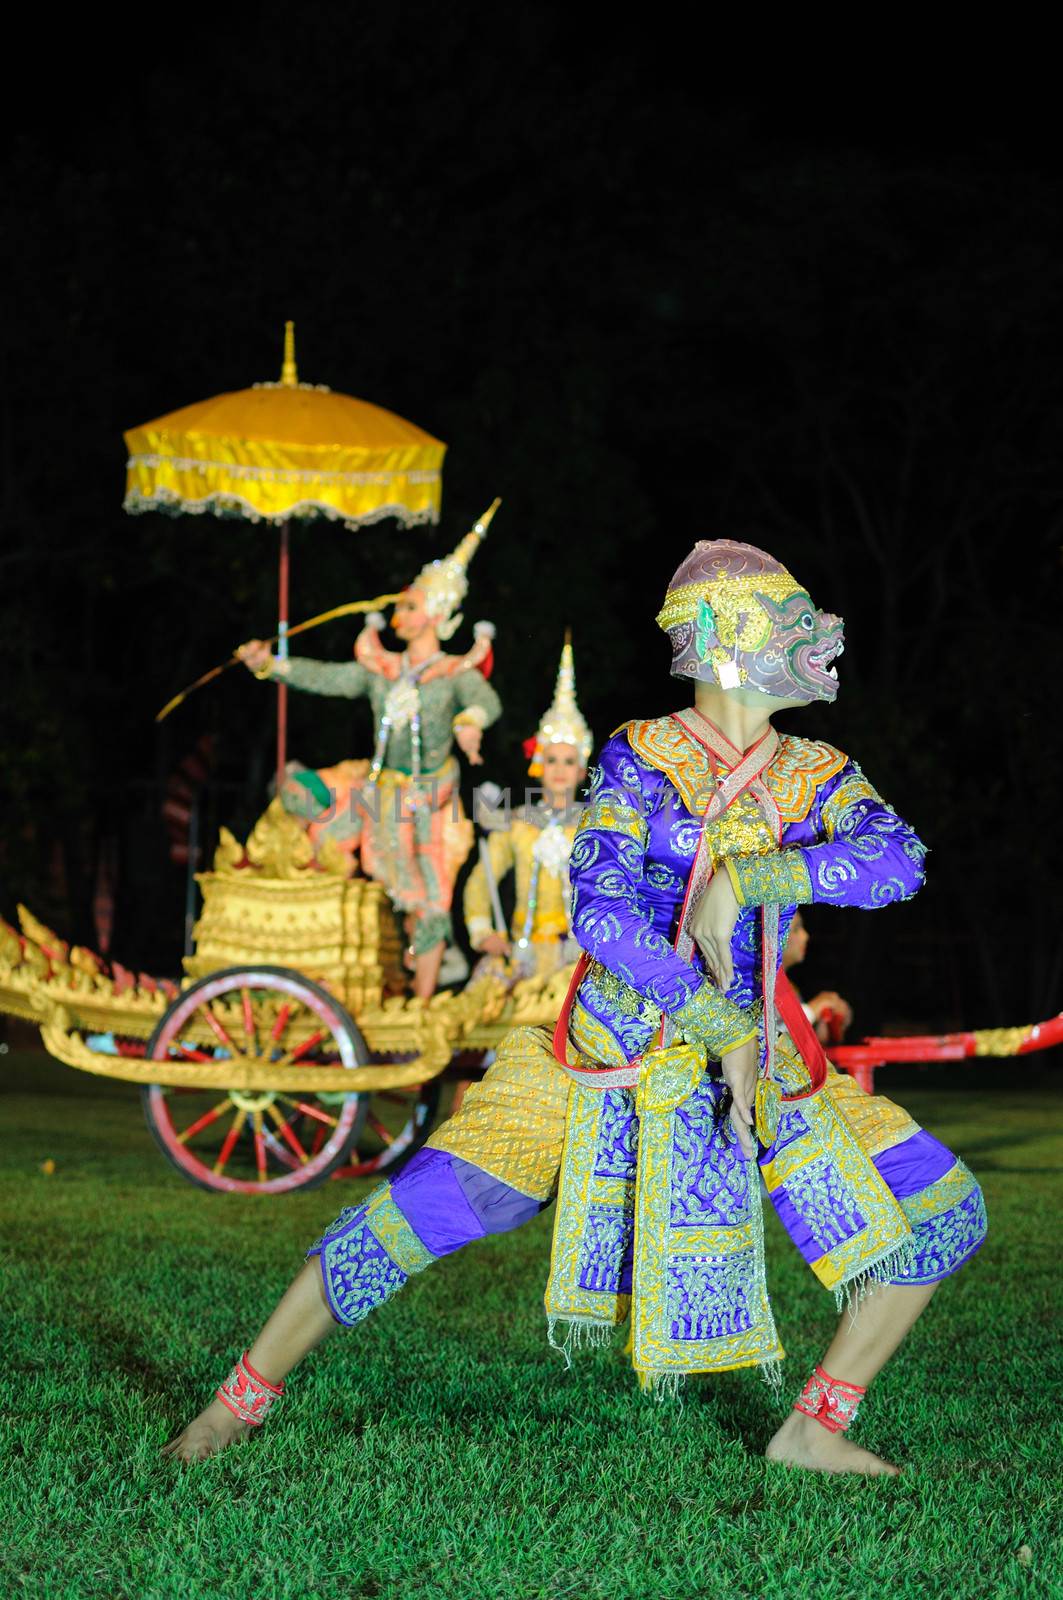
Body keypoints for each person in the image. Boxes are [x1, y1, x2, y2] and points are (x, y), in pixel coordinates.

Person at [167, 538, 987, 1476]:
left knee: (942, 1209)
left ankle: (812, 1428)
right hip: (602, 1060)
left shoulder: (815, 770)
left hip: (768, 1061)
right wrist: (708, 1016)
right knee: (417, 1212)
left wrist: (759, 875)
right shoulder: (642, 753)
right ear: (726, 635)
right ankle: (238, 1403)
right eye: (795, 620)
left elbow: (899, 859)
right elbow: (597, 908)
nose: (821, 637)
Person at [237, 510, 502, 998]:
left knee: (425, 896)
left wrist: (469, 724)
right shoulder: (380, 668)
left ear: (437, 615)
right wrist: (270, 664)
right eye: (400, 606)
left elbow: (487, 702)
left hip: (427, 800)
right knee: (313, 809)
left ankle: (420, 1006)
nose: (398, 613)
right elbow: (328, 678)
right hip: (379, 788)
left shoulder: (453, 672)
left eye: (410, 606)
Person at [464, 632, 591, 981]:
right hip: (523, 954)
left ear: (581, 770)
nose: (560, 770)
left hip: (578, 954)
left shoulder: (593, 825)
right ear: (538, 765)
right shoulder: (518, 822)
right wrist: (483, 932)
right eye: (552, 760)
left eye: (569, 761)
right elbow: (480, 880)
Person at [782, 909, 853, 1043]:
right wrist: (812, 1010)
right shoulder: (753, 989)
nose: (805, 936)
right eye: (796, 929)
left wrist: (822, 1022)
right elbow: (769, 1036)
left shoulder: (788, 986)